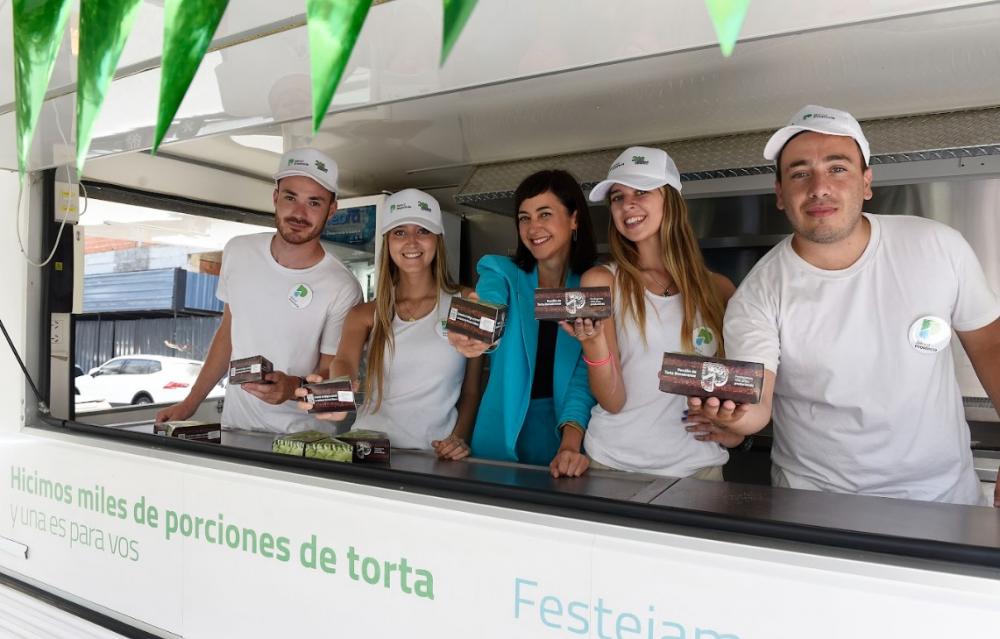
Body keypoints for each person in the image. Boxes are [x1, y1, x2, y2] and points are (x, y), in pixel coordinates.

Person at [687, 105, 1000, 506]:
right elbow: (757, 404)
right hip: (819, 506)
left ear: (866, 182)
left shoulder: (938, 246)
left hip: (943, 498)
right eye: (800, 173)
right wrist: (733, 414)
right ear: (780, 193)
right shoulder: (757, 294)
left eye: (837, 168)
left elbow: (991, 346)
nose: (819, 187)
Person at [566, 146, 743, 479]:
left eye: (641, 192)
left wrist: (736, 432)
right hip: (613, 464)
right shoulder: (601, 281)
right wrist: (593, 345)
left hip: (699, 471)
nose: (627, 205)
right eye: (617, 197)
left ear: (670, 199)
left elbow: (737, 393)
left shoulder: (719, 290)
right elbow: (613, 401)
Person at [156, 148, 363, 433]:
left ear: (331, 210)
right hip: (236, 429)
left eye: (314, 202)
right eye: (290, 197)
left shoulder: (342, 286)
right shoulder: (238, 251)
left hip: (303, 440)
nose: (299, 213)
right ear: (276, 198)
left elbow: (332, 377)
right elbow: (228, 333)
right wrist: (190, 403)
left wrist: (292, 388)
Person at [296, 189, 482, 459]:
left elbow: (472, 390)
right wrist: (336, 391)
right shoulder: (365, 313)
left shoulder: (466, 303)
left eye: (423, 231)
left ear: (438, 239)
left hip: (433, 456)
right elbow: (344, 362)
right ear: (388, 242)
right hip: (367, 452)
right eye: (399, 232)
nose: (411, 242)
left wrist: (458, 438)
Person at [449, 170, 598, 477]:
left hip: (566, 440)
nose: (533, 227)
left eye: (545, 214)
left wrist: (570, 444)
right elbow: (491, 302)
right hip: (498, 439)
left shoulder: (592, 285)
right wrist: (477, 327)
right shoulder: (500, 270)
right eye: (524, 218)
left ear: (574, 219)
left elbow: (586, 374)